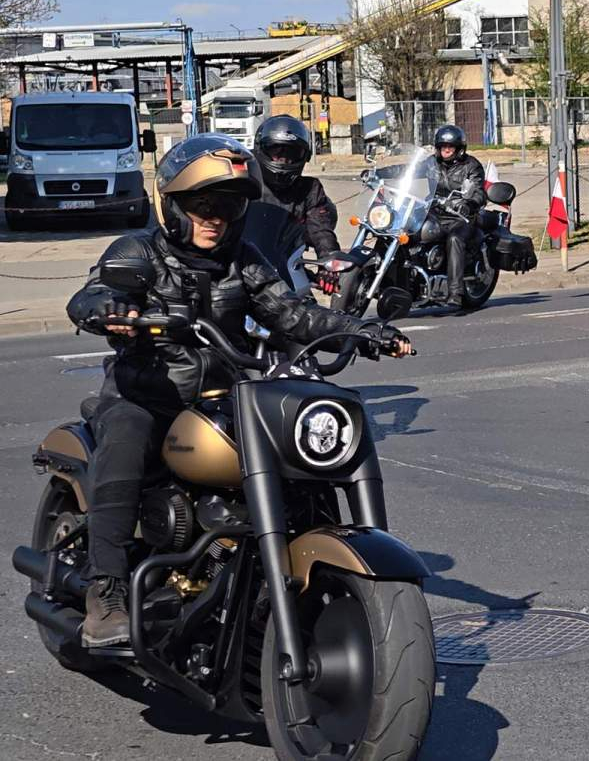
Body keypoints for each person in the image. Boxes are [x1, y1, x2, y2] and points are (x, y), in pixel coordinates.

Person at [65, 133, 410, 647]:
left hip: (226, 399)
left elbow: (289, 312)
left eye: (225, 205)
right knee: (126, 442)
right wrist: (112, 312)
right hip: (148, 395)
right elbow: (94, 293)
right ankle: (107, 588)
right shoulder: (138, 251)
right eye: (201, 205)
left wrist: (358, 330)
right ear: (173, 205)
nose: (214, 217)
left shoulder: (242, 259)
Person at [251, 114, 341, 258]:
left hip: (287, 264)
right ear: (261, 149)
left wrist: (330, 258)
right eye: (277, 151)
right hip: (245, 263)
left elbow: (321, 230)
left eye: (291, 152)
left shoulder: (309, 189)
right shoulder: (246, 182)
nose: (283, 159)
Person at [430, 124, 487, 310]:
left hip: (461, 217)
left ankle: (455, 293)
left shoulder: (471, 166)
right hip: (435, 213)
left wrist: (469, 204)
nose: (446, 150)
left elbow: (478, 190)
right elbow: (406, 171)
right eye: (442, 146)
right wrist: (379, 174)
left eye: (450, 147)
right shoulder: (431, 163)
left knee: (455, 239)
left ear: (459, 149)